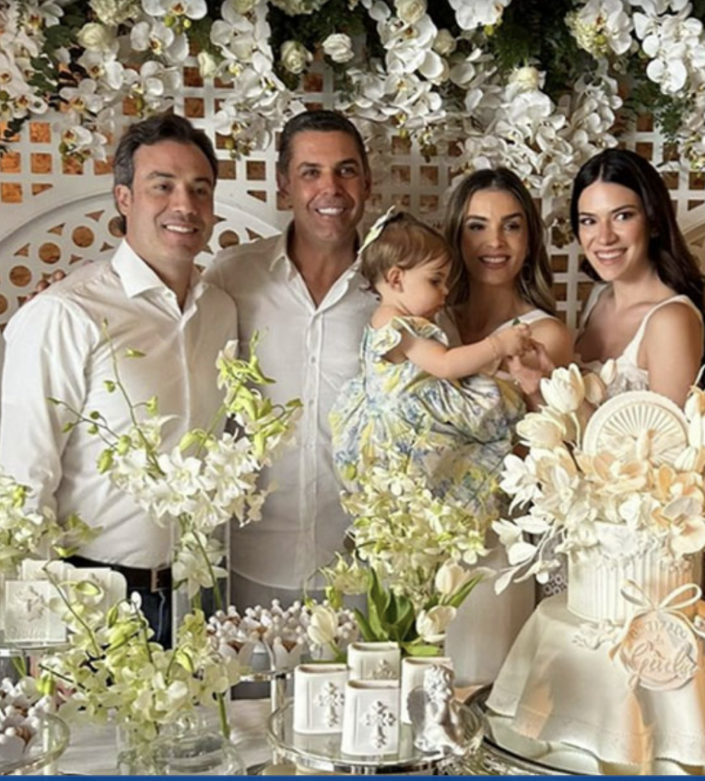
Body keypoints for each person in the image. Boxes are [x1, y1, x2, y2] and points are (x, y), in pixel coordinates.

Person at [0, 114, 238, 646]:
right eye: (163, 186)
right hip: (90, 600)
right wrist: (36, 636)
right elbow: (21, 481)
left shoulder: (221, 311)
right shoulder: (67, 313)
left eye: (200, 189)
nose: (185, 205)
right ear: (124, 198)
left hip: (194, 599)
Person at [203, 110, 376, 609]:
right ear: (284, 187)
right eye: (311, 173)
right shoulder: (233, 277)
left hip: (364, 564)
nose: (331, 188)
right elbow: (173, 348)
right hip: (249, 561)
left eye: (345, 170)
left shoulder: (399, 286)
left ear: (367, 182)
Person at [439, 167, 573, 685]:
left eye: (511, 226)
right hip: (418, 529)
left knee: (481, 684)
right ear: (456, 235)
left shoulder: (543, 334)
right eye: (477, 226)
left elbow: (544, 451)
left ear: (530, 239)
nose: (494, 242)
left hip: (494, 537)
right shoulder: (432, 325)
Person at [329, 210, 529, 521]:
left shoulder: (385, 319)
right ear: (396, 279)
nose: (445, 292)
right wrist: (497, 345)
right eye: (435, 280)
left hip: (397, 412)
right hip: (402, 428)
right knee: (463, 451)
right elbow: (445, 364)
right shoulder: (398, 324)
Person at [571, 148, 704, 407]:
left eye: (622, 216)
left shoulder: (671, 320)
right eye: (589, 221)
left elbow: (666, 433)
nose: (604, 237)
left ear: (653, 222)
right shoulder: (599, 297)